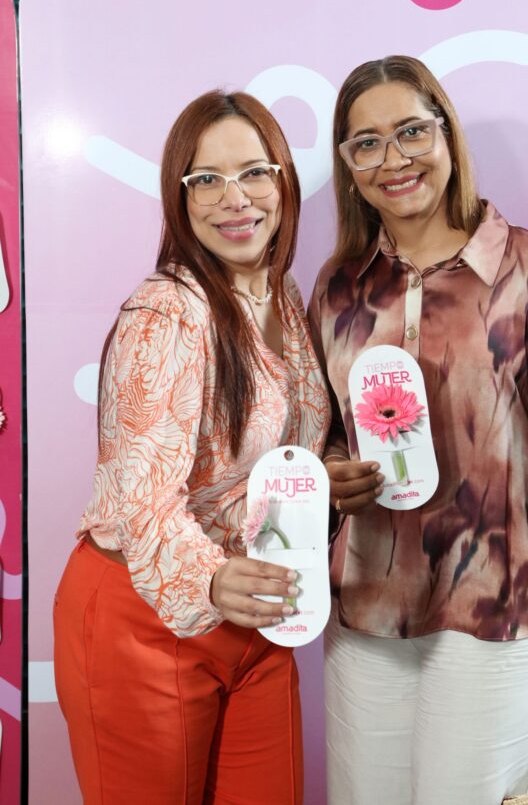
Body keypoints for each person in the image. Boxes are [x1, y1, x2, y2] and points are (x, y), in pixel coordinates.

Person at [308, 56, 528, 805]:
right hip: (368, 615)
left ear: (446, 136)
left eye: (411, 132)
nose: (393, 159)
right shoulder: (338, 288)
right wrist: (330, 471)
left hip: (502, 616)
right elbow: (322, 428)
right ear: (348, 166)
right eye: (366, 143)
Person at [54, 90, 330, 805]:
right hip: (144, 618)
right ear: (180, 197)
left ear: (284, 180)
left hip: (258, 611)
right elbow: (142, 497)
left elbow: (274, 458)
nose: (234, 199)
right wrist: (210, 581)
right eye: (206, 179)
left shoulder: (282, 296)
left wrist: (332, 478)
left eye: (254, 173)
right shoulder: (165, 313)